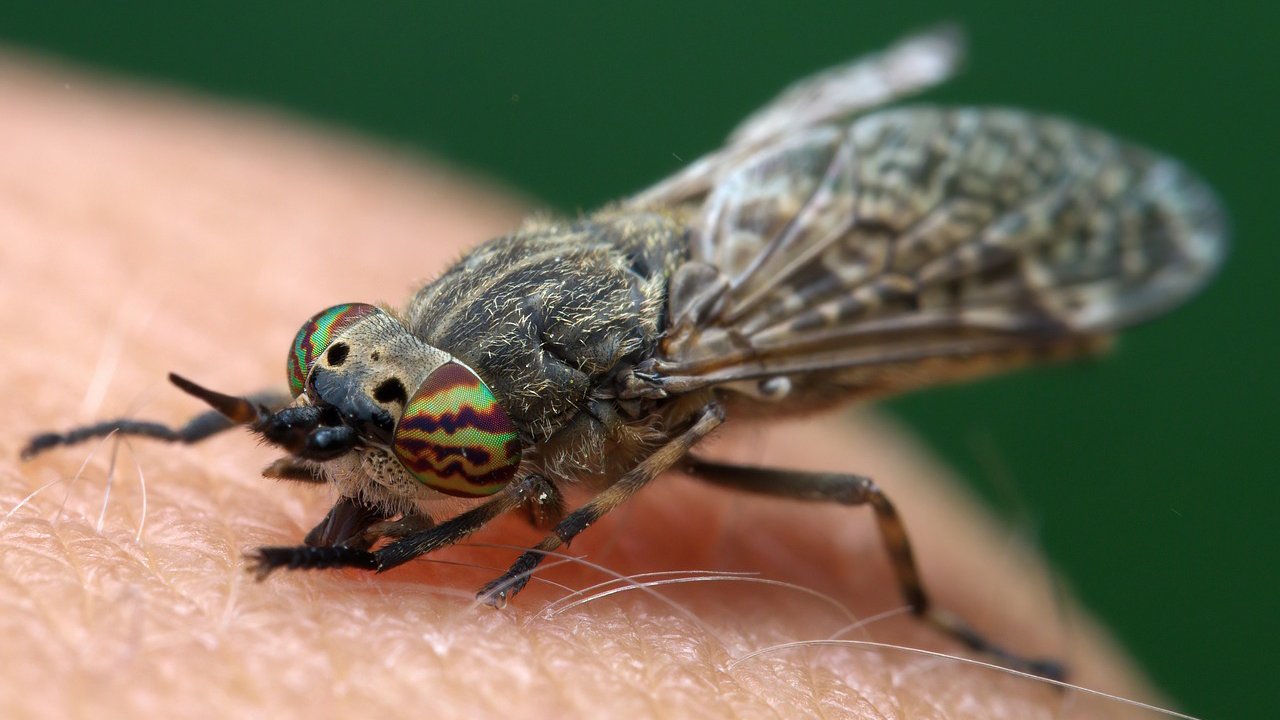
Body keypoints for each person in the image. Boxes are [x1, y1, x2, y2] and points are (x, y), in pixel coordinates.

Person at [0, 56, 1160, 719]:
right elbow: (390, 409)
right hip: (679, 269)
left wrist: (544, 543)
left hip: (779, 317)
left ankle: (939, 624)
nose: (348, 411)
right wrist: (192, 421)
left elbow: (684, 423)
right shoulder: (448, 375)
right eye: (342, 360)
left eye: (429, 434)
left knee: (858, 489)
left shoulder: (645, 384)